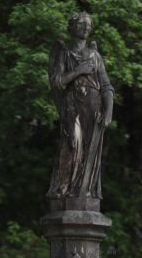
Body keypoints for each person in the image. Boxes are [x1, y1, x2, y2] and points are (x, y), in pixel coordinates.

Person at [48, 11, 114, 201]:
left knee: (88, 148)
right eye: (81, 24)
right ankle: (65, 189)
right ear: (72, 28)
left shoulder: (95, 56)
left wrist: (108, 110)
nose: (85, 27)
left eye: (88, 25)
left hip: (93, 107)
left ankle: (84, 192)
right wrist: (78, 71)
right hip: (72, 106)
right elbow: (57, 82)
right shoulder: (65, 53)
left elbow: (107, 86)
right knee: (73, 144)